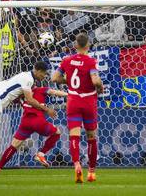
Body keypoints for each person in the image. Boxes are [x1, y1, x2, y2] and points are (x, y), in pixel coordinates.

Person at [51, 33, 104, 183]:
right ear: (88, 46)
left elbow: (54, 78)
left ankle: (77, 165)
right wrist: (100, 86)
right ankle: (91, 173)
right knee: (91, 137)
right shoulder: (91, 61)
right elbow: (95, 80)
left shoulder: (67, 60)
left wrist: (68, 82)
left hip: (73, 100)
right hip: (88, 102)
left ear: (75, 46)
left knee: (74, 136)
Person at [0, 86, 68, 175]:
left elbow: (10, 99)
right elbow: (54, 92)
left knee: (14, 146)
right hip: (38, 121)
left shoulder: (20, 94)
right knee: (57, 132)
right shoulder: (40, 89)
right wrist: (68, 94)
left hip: (25, 122)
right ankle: (41, 154)